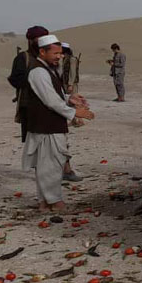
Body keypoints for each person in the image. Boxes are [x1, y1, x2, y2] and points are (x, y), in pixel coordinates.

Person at [22, 35, 94, 212]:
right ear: (42, 51)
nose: (59, 57)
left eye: (61, 54)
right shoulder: (38, 71)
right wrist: (75, 112)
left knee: (50, 164)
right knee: (51, 165)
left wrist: (70, 100)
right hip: (46, 127)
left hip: (51, 124)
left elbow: (55, 97)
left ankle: (45, 203)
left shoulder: (48, 69)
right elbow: (50, 101)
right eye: (55, 53)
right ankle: (54, 201)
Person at [8, 25, 49, 142]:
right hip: (30, 106)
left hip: (50, 106)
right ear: (31, 40)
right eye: (40, 39)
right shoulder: (23, 58)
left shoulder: (49, 57)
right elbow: (15, 80)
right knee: (32, 143)